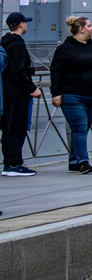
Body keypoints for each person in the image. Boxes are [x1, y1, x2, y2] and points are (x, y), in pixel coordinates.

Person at [50, 15, 92, 174]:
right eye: (89, 26)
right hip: (72, 95)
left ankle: (73, 160)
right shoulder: (65, 49)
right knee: (79, 129)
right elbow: (55, 71)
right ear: (81, 28)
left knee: (83, 129)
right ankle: (83, 162)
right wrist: (56, 93)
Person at [1, 13, 37, 177]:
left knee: (8, 128)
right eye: (25, 23)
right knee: (17, 128)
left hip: (6, 92)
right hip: (17, 92)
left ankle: (8, 163)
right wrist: (32, 88)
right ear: (21, 24)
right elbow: (18, 70)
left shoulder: (5, 42)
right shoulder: (17, 45)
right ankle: (15, 164)